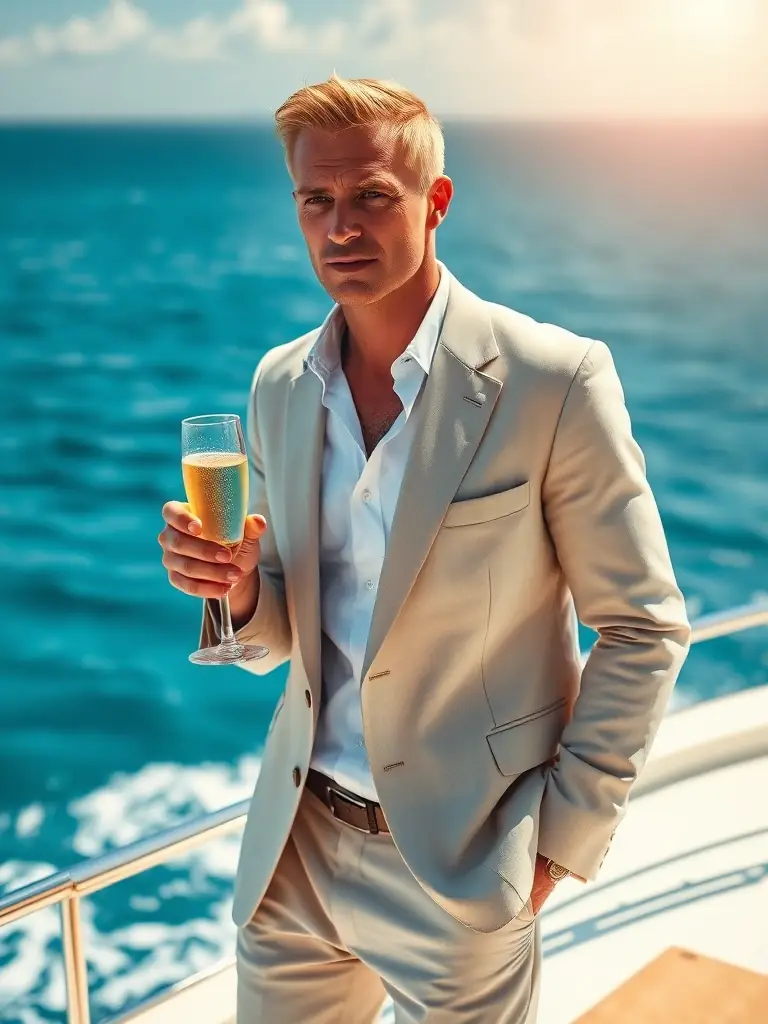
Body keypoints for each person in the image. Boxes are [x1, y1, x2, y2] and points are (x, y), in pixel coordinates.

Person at [158, 75, 691, 1023]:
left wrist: (557, 845)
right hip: (296, 850)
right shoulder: (281, 384)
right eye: (315, 201)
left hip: (465, 864)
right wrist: (239, 592)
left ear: (436, 201)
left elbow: (642, 625)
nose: (339, 229)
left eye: (371, 196)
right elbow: (284, 633)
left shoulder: (553, 381)